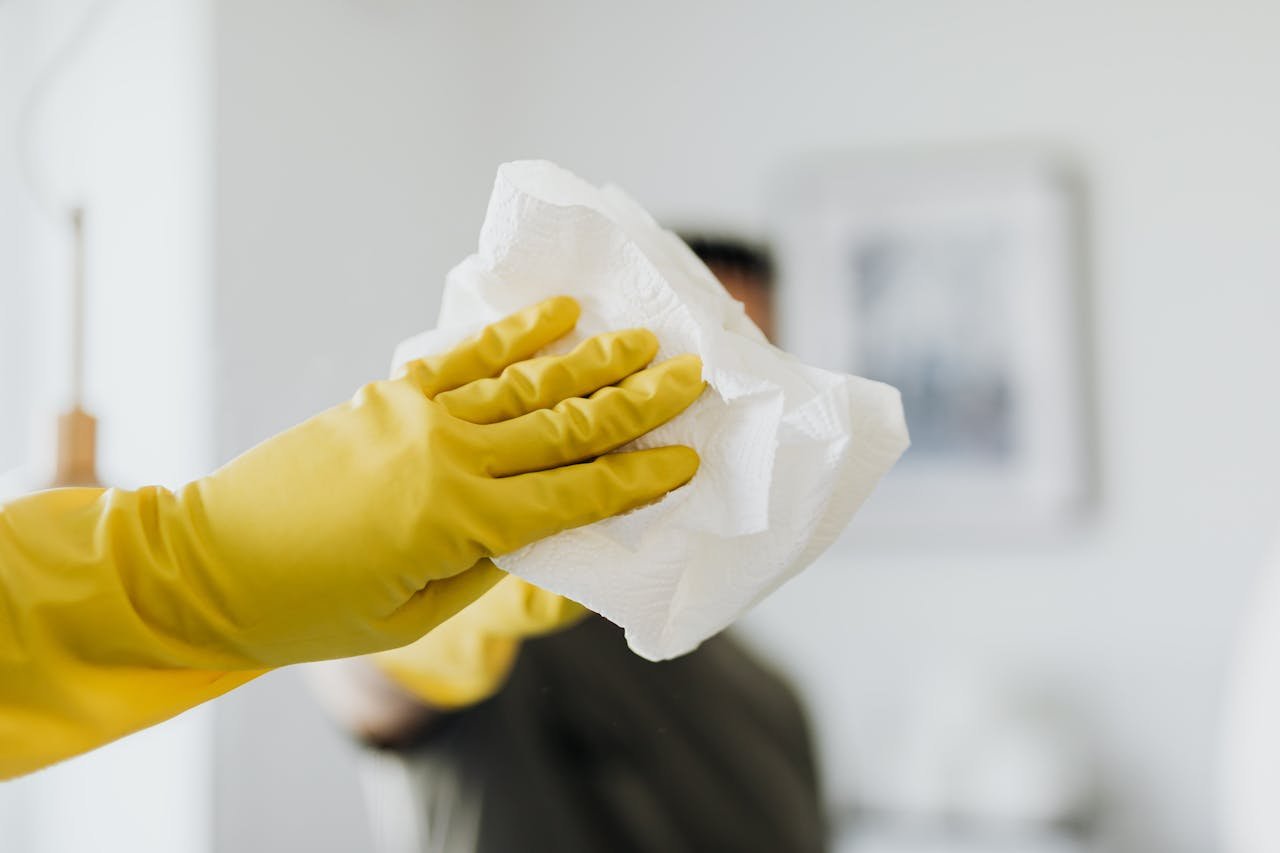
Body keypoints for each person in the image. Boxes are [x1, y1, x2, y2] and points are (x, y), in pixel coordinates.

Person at [0, 296, 704, 778]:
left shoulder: (768, 705)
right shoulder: (509, 611)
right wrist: (212, 559)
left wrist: (200, 565)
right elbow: (367, 697)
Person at [309, 236, 827, 853]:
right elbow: (366, 684)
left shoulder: (773, 700)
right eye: (691, 361)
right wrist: (423, 607)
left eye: (752, 375)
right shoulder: (510, 635)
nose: (715, 404)